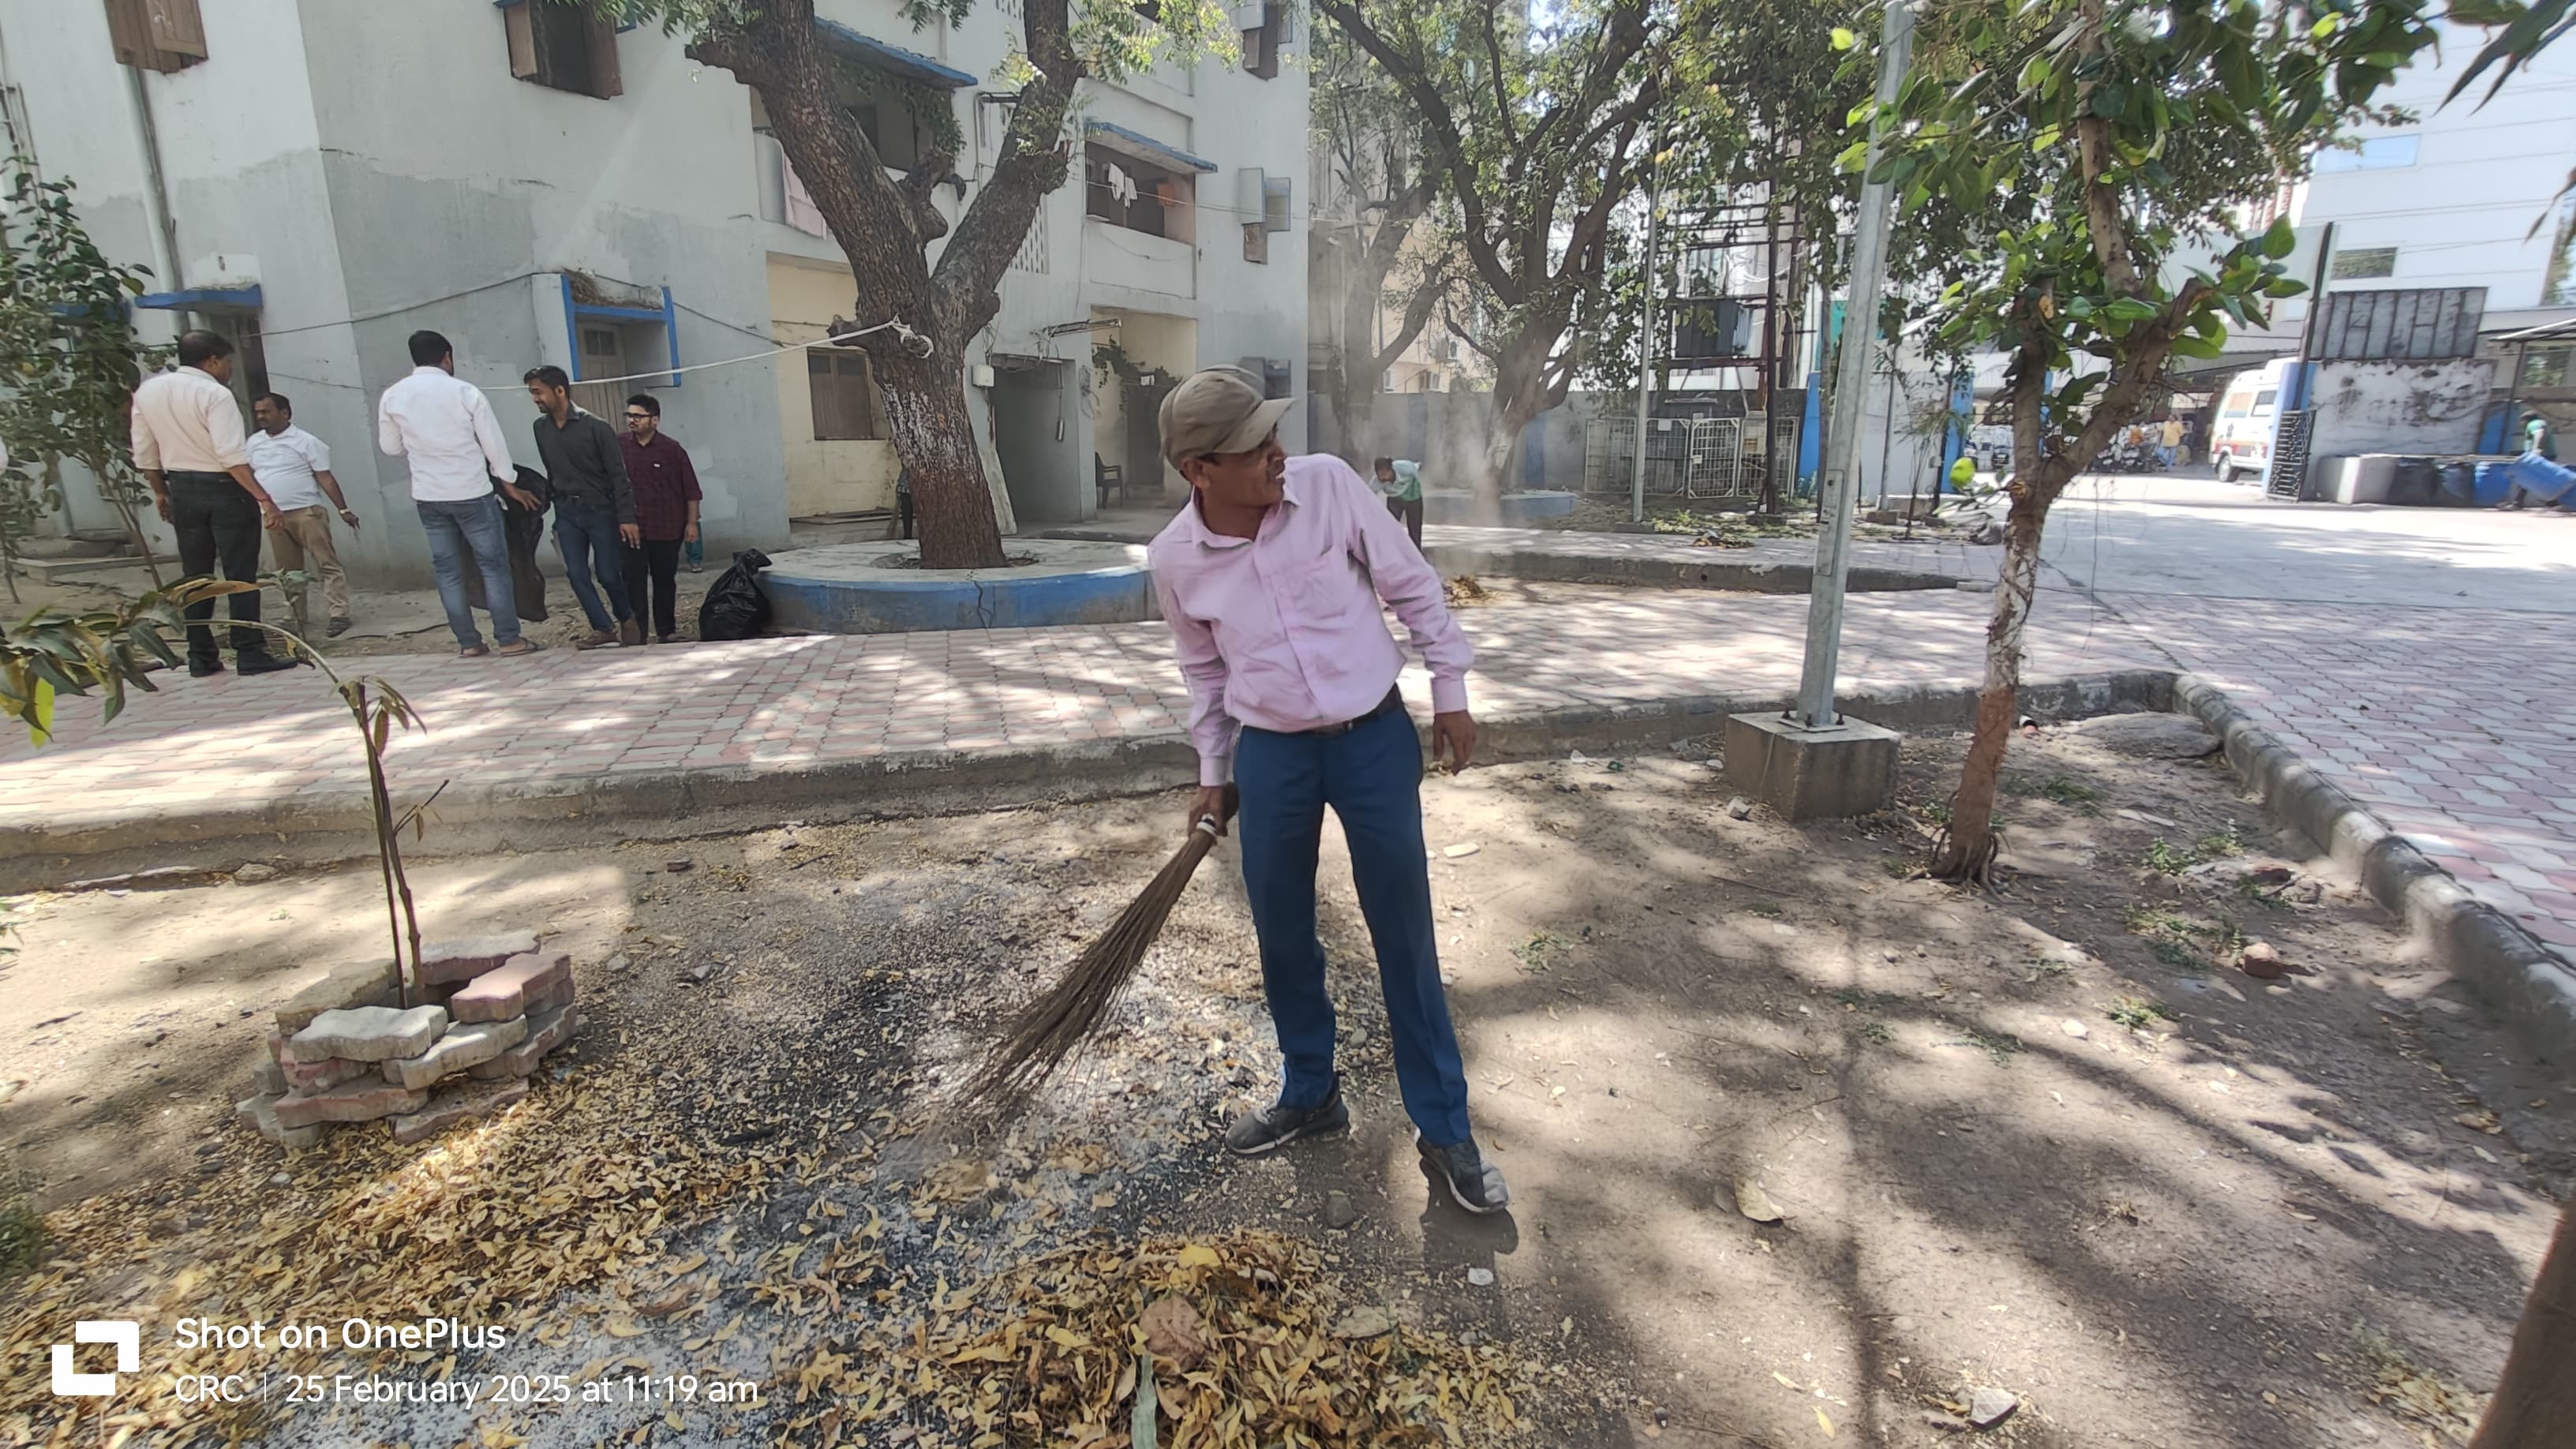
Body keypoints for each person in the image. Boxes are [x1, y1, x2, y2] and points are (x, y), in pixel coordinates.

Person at [1147, 366, 1505, 1215]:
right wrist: (1214, 775)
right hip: (1273, 755)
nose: (1278, 453)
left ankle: (1444, 1125)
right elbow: (1204, 673)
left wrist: (1450, 689)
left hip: (1372, 738)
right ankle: (1311, 1093)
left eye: (1274, 435)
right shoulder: (1174, 560)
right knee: (1282, 931)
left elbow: (1411, 583)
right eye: (1253, 448)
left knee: (1403, 932)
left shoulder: (1330, 488)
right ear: (1200, 471)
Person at [131, 330, 300, 677]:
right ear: (212, 360)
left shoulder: (148, 391)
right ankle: (249, 651)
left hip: (181, 487)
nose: (230, 370)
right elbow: (231, 456)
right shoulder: (216, 394)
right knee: (240, 576)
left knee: (195, 578)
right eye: (228, 363)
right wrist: (265, 499)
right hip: (225, 489)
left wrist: (160, 492)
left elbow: (145, 452)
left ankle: (201, 656)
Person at [378, 330, 540, 658]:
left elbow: (390, 447)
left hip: (429, 497)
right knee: (493, 566)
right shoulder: (465, 392)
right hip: (472, 493)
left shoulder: (393, 396)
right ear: (447, 357)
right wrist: (508, 481)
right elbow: (493, 445)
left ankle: (469, 643)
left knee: (447, 571)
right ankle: (509, 639)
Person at [524, 366, 642, 648]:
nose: (535, 399)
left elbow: (619, 475)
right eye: (532, 393)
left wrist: (627, 517)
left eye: (538, 392)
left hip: (600, 510)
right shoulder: (540, 429)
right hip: (566, 512)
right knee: (576, 573)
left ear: (560, 390)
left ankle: (627, 617)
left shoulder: (597, 427)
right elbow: (551, 470)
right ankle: (603, 628)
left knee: (608, 574)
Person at [247, 392, 359, 638]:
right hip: (274, 515)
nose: (261, 417)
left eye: (266, 411)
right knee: (288, 571)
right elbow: (251, 476)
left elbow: (325, 477)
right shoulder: (254, 443)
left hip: (307, 512)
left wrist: (343, 509)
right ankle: (295, 617)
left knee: (326, 563)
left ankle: (339, 613)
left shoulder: (306, 442)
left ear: (285, 413)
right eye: (258, 412)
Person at [617, 393, 702, 642]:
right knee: (633, 581)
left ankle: (666, 632)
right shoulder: (619, 446)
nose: (632, 420)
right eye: (629, 415)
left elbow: (691, 490)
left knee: (664, 581)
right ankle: (638, 635)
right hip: (631, 529)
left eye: (638, 416)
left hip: (666, 528)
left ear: (654, 420)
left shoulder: (671, 449)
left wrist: (692, 523)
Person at [1371, 456, 1425, 549]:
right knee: (1391, 526)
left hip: (1412, 496)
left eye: (1385, 474)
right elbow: (1369, 495)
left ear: (1391, 469)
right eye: (1380, 475)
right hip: (1395, 499)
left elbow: (1416, 468)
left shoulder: (1404, 468)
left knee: (1415, 528)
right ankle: (1392, 550)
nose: (1383, 477)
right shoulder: (1376, 482)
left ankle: (1416, 551)